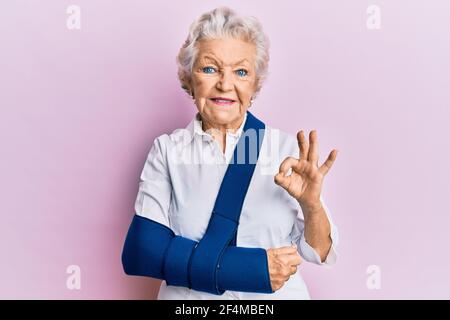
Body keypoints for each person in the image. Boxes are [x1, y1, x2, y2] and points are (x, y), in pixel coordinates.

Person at [122, 6, 339, 300]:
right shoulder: (168, 151)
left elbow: (320, 252)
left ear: (255, 83)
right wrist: (251, 269)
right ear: (189, 77)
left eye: (240, 71)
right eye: (210, 68)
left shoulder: (286, 151)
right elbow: (143, 251)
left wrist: (311, 204)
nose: (225, 84)